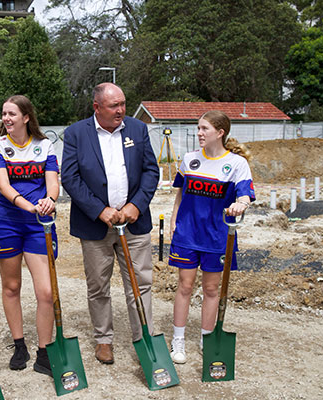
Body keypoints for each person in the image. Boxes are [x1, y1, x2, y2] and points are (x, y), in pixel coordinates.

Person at [61, 83, 159, 364]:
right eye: (114, 105)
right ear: (97, 107)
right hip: (96, 226)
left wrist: (136, 205)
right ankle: (103, 339)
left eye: (123, 104)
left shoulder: (137, 130)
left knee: (141, 284)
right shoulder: (77, 134)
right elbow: (70, 177)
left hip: (134, 224)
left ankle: (145, 338)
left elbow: (151, 171)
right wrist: (99, 209)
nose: (121, 110)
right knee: (98, 286)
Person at [168, 110, 255, 364]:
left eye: (204, 129)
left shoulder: (237, 164)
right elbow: (180, 195)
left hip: (217, 237)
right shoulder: (190, 159)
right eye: (198, 128)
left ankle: (207, 338)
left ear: (220, 133)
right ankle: (178, 340)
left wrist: (241, 204)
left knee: (211, 289)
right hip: (187, 233)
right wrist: (174, 220)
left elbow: (245, 194)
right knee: (184, 286)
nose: (199, 133)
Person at [0, 95, 59, 377]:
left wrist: (49, 200)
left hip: (39, 224)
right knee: (12, 286)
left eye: (12, 114)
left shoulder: (44, 146)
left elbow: (53, 183)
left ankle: (44, 351)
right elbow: (3, 186)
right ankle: (19, 345)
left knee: (46, 290)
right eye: (4, 113)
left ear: (26, 117)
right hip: (6, 222)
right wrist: (28, 205)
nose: (6, 118)